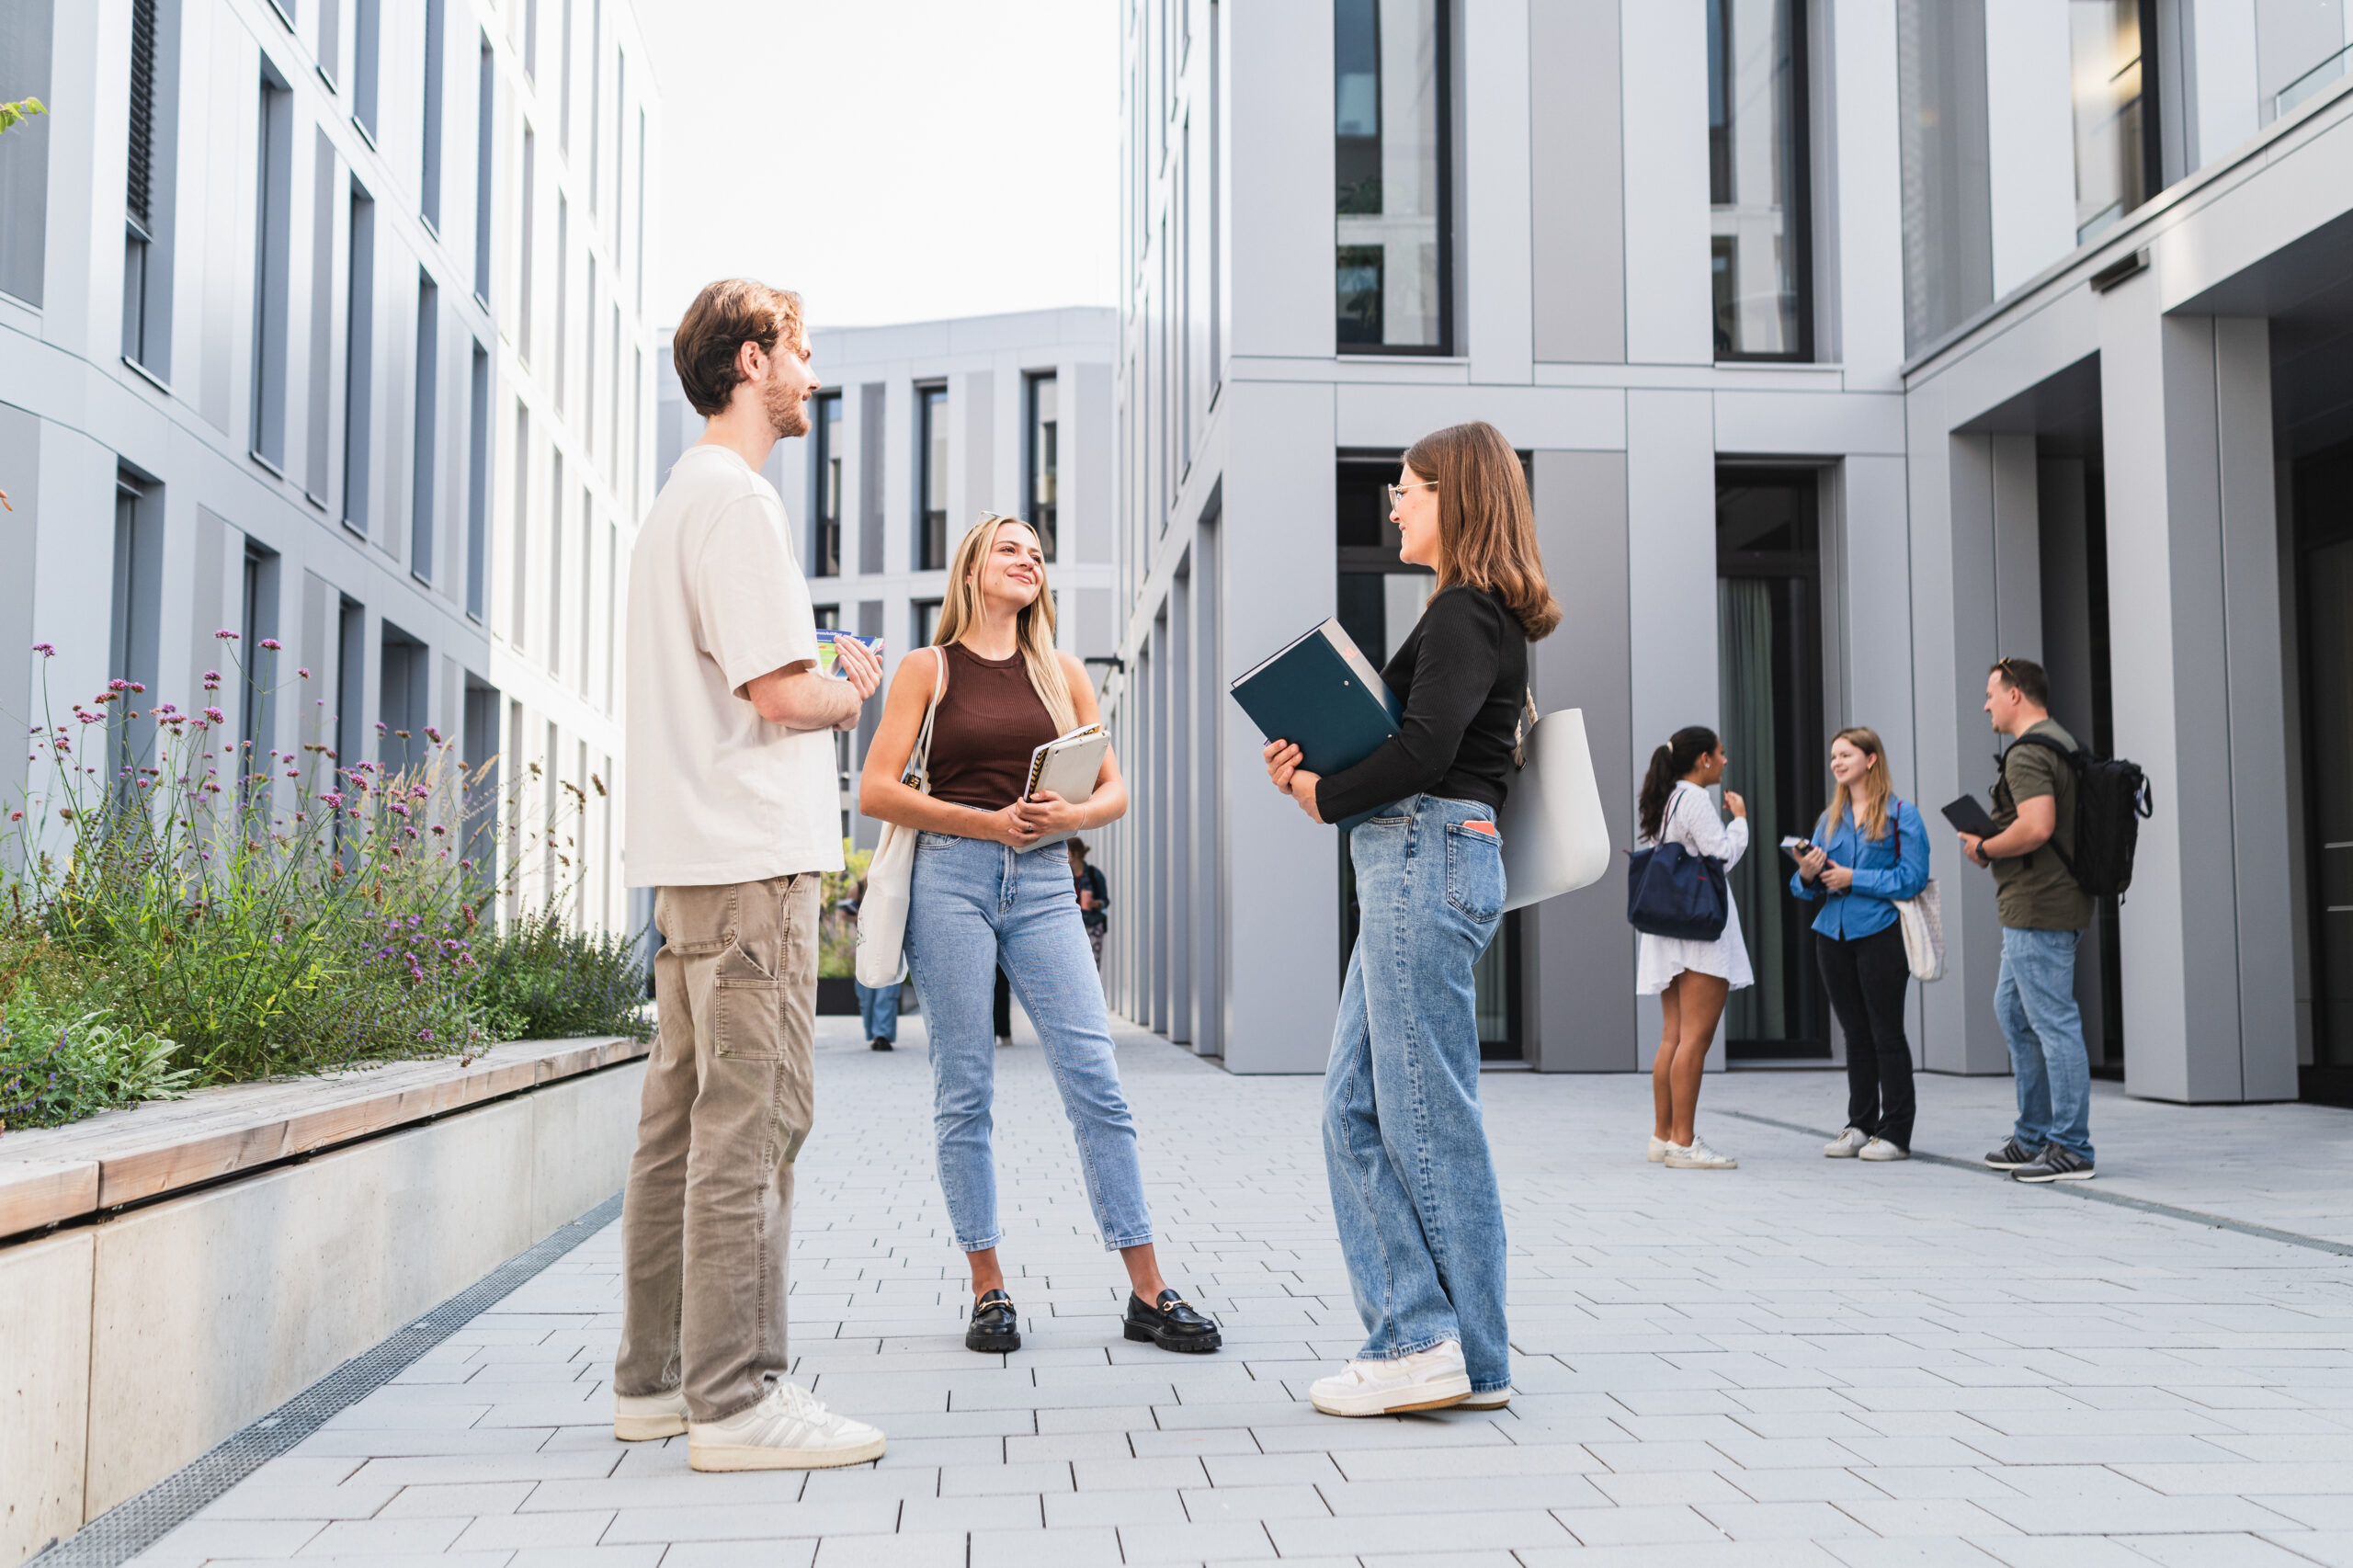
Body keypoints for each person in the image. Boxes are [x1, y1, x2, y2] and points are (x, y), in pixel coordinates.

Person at [614, 279, 888, 1471]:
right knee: (756, 1123)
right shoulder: (738, 505)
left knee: (680, 1128)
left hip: (693, 867)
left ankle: (658, 1382)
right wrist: (854, 685)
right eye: (800, 351)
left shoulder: (685, 502)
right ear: (748, 360)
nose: (812, 374)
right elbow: (782, 695)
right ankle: (737, 1398)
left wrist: (812, 665)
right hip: (749, 865)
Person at [859, 512, 1222, 1358]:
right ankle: (988, 1290)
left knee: (1097, 1078)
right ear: (973, 568)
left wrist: (1075, 813)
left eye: (1037, 553)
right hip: (950, 877)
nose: (1028, 560)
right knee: (965, 1089)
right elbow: (877, 790)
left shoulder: (1060, 674)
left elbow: (1113, 789)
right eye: (1010, 548)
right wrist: (982, 823)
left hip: (1047, 881)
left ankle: (1148, 1289)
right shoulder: (928, 669)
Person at [1263, 420, 1557, 1418]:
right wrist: (1316, 770)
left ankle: (1420, 1340)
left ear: (1455, 495)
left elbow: (1427, 750)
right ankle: (1466, 1354)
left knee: (1420, 1112)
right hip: (1423, 855)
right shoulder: (1473, 615)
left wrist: (1322, 791)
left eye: (1406, 488)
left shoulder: (1467, 610)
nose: (1392, 504)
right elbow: (1420, 739)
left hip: (1420, 852)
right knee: (1361, 1106)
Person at [1957, 656, 2097, 1183]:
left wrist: (1986, 846)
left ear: (2016, 694)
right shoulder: (2062, 742)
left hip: (2039, 904)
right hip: (2045, 901)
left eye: (1991, 693)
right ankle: (2034, 1134)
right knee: (2013, 1011)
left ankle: (2071, 1147)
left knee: (2053, 1023)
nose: (1985, 704)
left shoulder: (2027, 753)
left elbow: (2037, 827)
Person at [1792, 727, 1930, 1161]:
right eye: (1833, 756)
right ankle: (1861, 1124)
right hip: (1832, 935)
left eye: (1846, 754)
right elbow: (1803, 889)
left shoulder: (1901, 815)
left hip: (1880, 933)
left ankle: (1896, 1133)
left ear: (1871, 759)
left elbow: (1912, 879)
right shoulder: (1827, 819)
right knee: (1855, 1035)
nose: (1837, 762)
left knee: (1886, 1033)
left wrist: (1856, 879)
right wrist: (1809, 873)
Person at [1636, 727, 1750, 1171]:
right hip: (1700, 929)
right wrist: (1740, 822)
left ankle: (1663, 1135)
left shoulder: (1665, 799)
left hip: (1668, 929)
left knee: (1673, 1037)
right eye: (1720, 754)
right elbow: (1720, 857)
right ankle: (1684, 1142)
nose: (1724, 761)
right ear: (1703, 759)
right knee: (1696, 1040)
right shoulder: (1694, 798)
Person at [847, 878, 900, 1051]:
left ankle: (882, 1035)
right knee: (866, 992)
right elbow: (844, 913)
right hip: (866, 944)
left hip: (889, 943)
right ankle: (873, 1033)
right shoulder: (858, 888)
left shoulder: (894, 884)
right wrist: (867, 919)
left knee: (887, 991)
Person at [1070, 838, 1109, 967]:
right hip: (1072, 927)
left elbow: (1105, 900)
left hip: (1092, 926)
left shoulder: (1094, 874)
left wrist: (1096, 904)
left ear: (1075, 854)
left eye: (1066, 852)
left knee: (1092, 966)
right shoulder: (1066, 876)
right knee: (1073, 967)